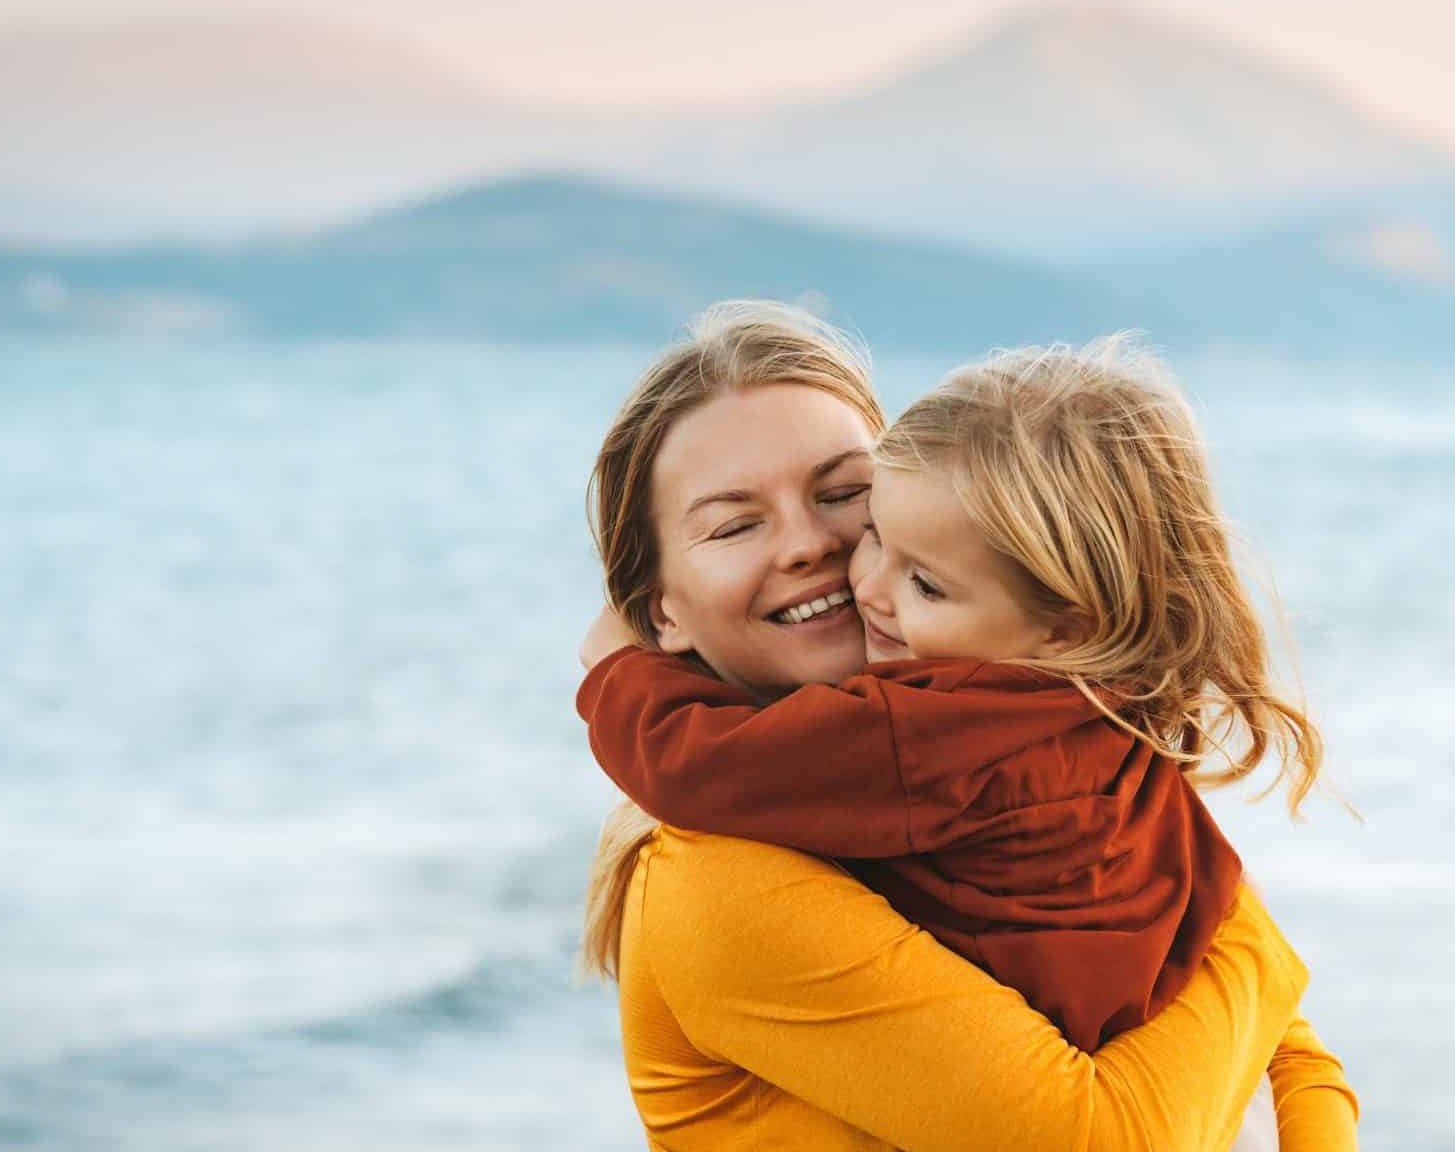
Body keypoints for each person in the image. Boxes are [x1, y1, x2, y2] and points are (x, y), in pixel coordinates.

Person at [576, 302, 1357, 1150]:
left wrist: (1257, 961)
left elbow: (1298, 1064)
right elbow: (1110, 1136)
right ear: (661, 615)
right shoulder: (717, 881)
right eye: (734, 525)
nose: (814, 547)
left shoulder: (1036, 754)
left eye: (848, 497)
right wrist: (1256, 948)